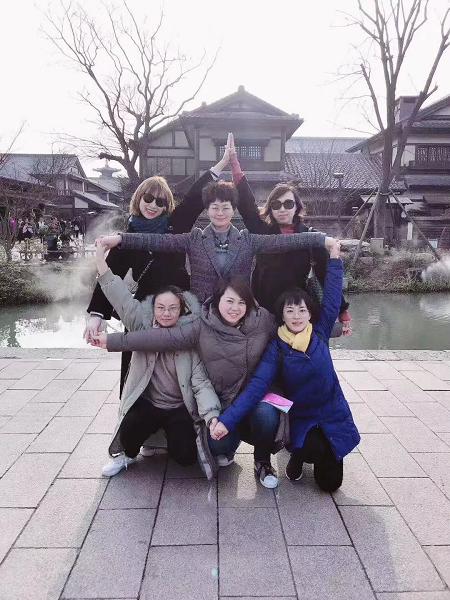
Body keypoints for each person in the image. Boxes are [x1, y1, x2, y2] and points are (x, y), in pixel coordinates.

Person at [91, 275, 285, 489]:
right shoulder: (201, 325)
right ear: (217, 300)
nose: (235, 308)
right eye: (229, 301)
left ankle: (262, 461)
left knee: (265, 415)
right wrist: (110, 340)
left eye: (241, 302)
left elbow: (290, 327)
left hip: (250, 395)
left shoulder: (262, 320)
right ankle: (134, 449)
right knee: (214, 444)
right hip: (220, 400)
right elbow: (154, 335)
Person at [84, 135, 235, 394]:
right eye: (148, 198)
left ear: (167, 205)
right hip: (144, 309)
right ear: (138, 199)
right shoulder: (127, 236)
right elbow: (110, 276)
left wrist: (221, 164)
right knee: (137, 369)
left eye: (160, 201)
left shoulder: (176, 225)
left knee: (180, 369)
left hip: (179, 307)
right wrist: (96, 315)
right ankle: (132, 410)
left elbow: (194, 198)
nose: (153, 205)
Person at [212, 241, 360, 492]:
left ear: (310, 313)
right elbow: (257, 386)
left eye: (301, 310)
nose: (296, 316)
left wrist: (334, 258)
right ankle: (298, 456)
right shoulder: (277, 348)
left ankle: (321, 454)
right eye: (290, 311)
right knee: (313, 449)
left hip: (332, 411)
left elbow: (333, 295)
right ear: (281, 316)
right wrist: (226, 420)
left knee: (331, 485)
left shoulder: (320, 332)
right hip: (303, 417)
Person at [94, 240, 221, 479]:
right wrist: (101, 261)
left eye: (172, 308)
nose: (166, 313)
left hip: (178, 407)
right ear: (153, 309)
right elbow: (119, 295)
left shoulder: (189, 337)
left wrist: (212, 415)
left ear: (182, 310)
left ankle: (167, 439)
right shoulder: (141, 324)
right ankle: (126, 454)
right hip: (148, 404)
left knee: (185, 457)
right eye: (161, 307)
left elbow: (201, 384)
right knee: (131, 425)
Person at [97, 183, 336, 303]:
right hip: (201, 314)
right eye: (215, 208)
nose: (220, 213)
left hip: (238, 311)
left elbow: (286, 242)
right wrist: (120, 238)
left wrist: (321, 239)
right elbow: (157, 241)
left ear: (233, 210)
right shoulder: (194, 238)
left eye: (225, 208)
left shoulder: (248, 240)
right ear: (208, 210)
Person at [228, 134, 351, 335]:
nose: (282, 209)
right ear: (270, 209)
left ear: (297, 207)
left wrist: (342, 312)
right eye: (276, 205)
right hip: (264, 309)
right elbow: (246, 205)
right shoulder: (263, 232)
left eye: (288, 203)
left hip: (296, 312)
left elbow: (326, 275)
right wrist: (234, 162)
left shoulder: (310, 238)